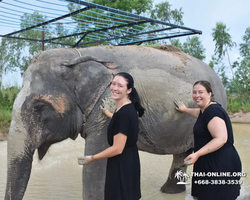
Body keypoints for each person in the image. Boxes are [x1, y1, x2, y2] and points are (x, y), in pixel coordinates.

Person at [78, 72, 145, 200]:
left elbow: (117, 148)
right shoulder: (127, 107)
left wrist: (92, 158)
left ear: (129, 90)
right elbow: (122, 124)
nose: (114, 88)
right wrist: (108, 113)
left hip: (121, 163)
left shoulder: (124, 113)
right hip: (130, 159)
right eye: (113, 84)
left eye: (120, 86)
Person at [174, 80, 242, 200]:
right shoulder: (206, 110)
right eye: (194, 92)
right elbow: (199, 113)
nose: (197, 95)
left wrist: (197, 153)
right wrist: (185, 110)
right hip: (211, 162)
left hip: (219, 165)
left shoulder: (213, 111)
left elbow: (221, 138)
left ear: (210, 94)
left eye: (201, 92)